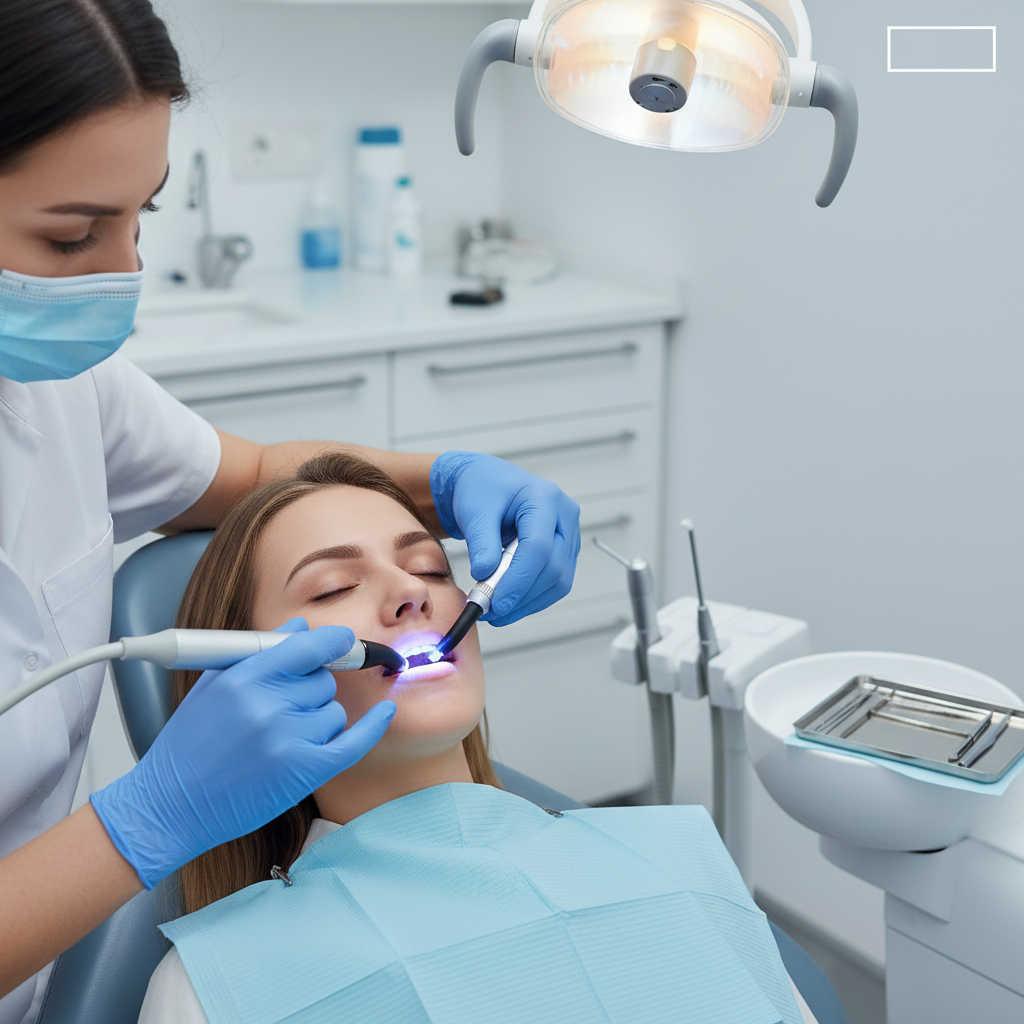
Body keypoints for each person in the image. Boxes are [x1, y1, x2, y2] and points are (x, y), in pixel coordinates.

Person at [0, 4, 580, 1021]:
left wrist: (442, 481)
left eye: (144, 216)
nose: (123, 271)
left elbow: (261, 470)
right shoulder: (211, 990)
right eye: (73, 234)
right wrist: (148, 818)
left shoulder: (54, 381)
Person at [137, 452, 818, 1023]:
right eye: (333, 587)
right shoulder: (214, 986)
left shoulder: (676, 858)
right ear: (242, 680)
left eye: (433, 568)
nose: (412, 592)